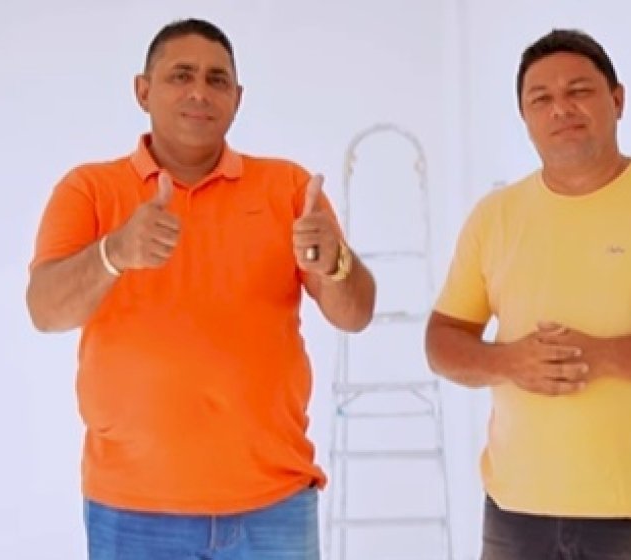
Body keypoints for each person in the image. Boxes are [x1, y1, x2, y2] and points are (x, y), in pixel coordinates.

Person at [25, 18, 375, 560]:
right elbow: (44, 310)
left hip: (274, 504)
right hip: (133, 510)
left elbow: (354, 314)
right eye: (180, 75)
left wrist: (336, 262)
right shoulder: (89, 189)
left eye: (217, 80)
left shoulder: (288, 187)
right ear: (142, 91)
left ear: (237, 99)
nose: (199, 92)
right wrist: (115, 252)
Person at [425, 28, 631, 560]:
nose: (561, 109)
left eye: (579, 91)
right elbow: (442, 340)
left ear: (616, 100)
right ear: (525, 117)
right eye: (541, 98)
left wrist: (600, 356)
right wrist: (510, 362)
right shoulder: (494, 217)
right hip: (513, 511)